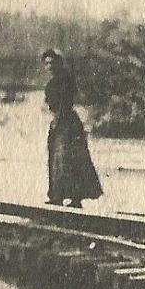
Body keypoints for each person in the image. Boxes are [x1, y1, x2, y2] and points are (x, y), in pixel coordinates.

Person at [42, 48, 103, 208]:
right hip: (58, 122)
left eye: (51, 62)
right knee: (56, 160)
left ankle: (75, 197)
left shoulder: (65, 80)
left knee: (70, 160)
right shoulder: (52, 83)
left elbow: (65, 102)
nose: (49, 66)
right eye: (46, 63)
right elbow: (49, 105)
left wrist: (58, 119)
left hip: (68, 124)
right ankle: (57, 195)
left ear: (58, 63)